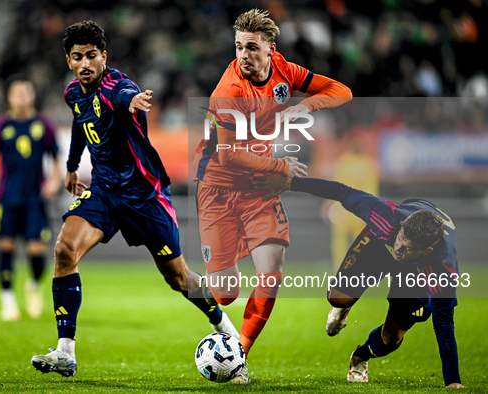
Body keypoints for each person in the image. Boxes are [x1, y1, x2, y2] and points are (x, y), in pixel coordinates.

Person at [30, 20, 236, 378]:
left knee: (178, 278)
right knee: (64, 249)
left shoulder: (119, 86)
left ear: (103, 56)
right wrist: (71, 165)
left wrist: (134, 100)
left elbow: (120, 97)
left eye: (92, 56)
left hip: (145, 195)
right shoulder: (73, 93)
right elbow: (81, 120)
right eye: (77, 58)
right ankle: (65, 351)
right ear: (68, 60)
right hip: (105, 190)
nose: (85, 64)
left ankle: (226, 329)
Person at [193, 9, 352, 384]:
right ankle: (215, 264)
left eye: (251, 47)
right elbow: (229, 155)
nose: (243, 55)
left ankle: (239, 356)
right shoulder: (229, 91)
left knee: (271, 273)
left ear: (270, 49)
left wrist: (305, 104)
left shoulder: (283, 70)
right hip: (218, 186)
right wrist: (280, 166)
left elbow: (341, 91)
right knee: (226, 293)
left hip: (258, 187)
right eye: (238, 47)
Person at [250, 174, 465, 389]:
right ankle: (343, 309)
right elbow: (342, 192)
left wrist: (452, 381)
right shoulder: (388, 219)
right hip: (379, 245)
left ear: (427, 250)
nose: (399, 249)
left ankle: (360, 356)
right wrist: (289, 183)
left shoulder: (441, 271)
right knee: (337, 298)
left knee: (392, 339)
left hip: (415, 275)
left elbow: (444, 324)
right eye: (400, 239)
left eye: (407, 247)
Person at [0, 76, 61, 321]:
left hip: (35, 199)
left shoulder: (44, 126)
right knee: (5, 247)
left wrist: (55, 181)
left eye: (25, 93)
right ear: (9, 98)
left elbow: (58, 159)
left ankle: (34, 285)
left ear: (32, 96)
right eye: (16, 93)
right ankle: (8, 302)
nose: (21, 98)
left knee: (37, 252)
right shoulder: (0, 127)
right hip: (7, 198)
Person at [323, 135, 378, 270]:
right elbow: (371, 191)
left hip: (343, 209)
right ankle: (358, 270)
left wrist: (328, 204)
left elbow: (335, 186)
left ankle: (340, 270)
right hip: (357, 210)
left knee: (341, 243)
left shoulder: (345, 161)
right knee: (359, 243)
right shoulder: (368, 164)